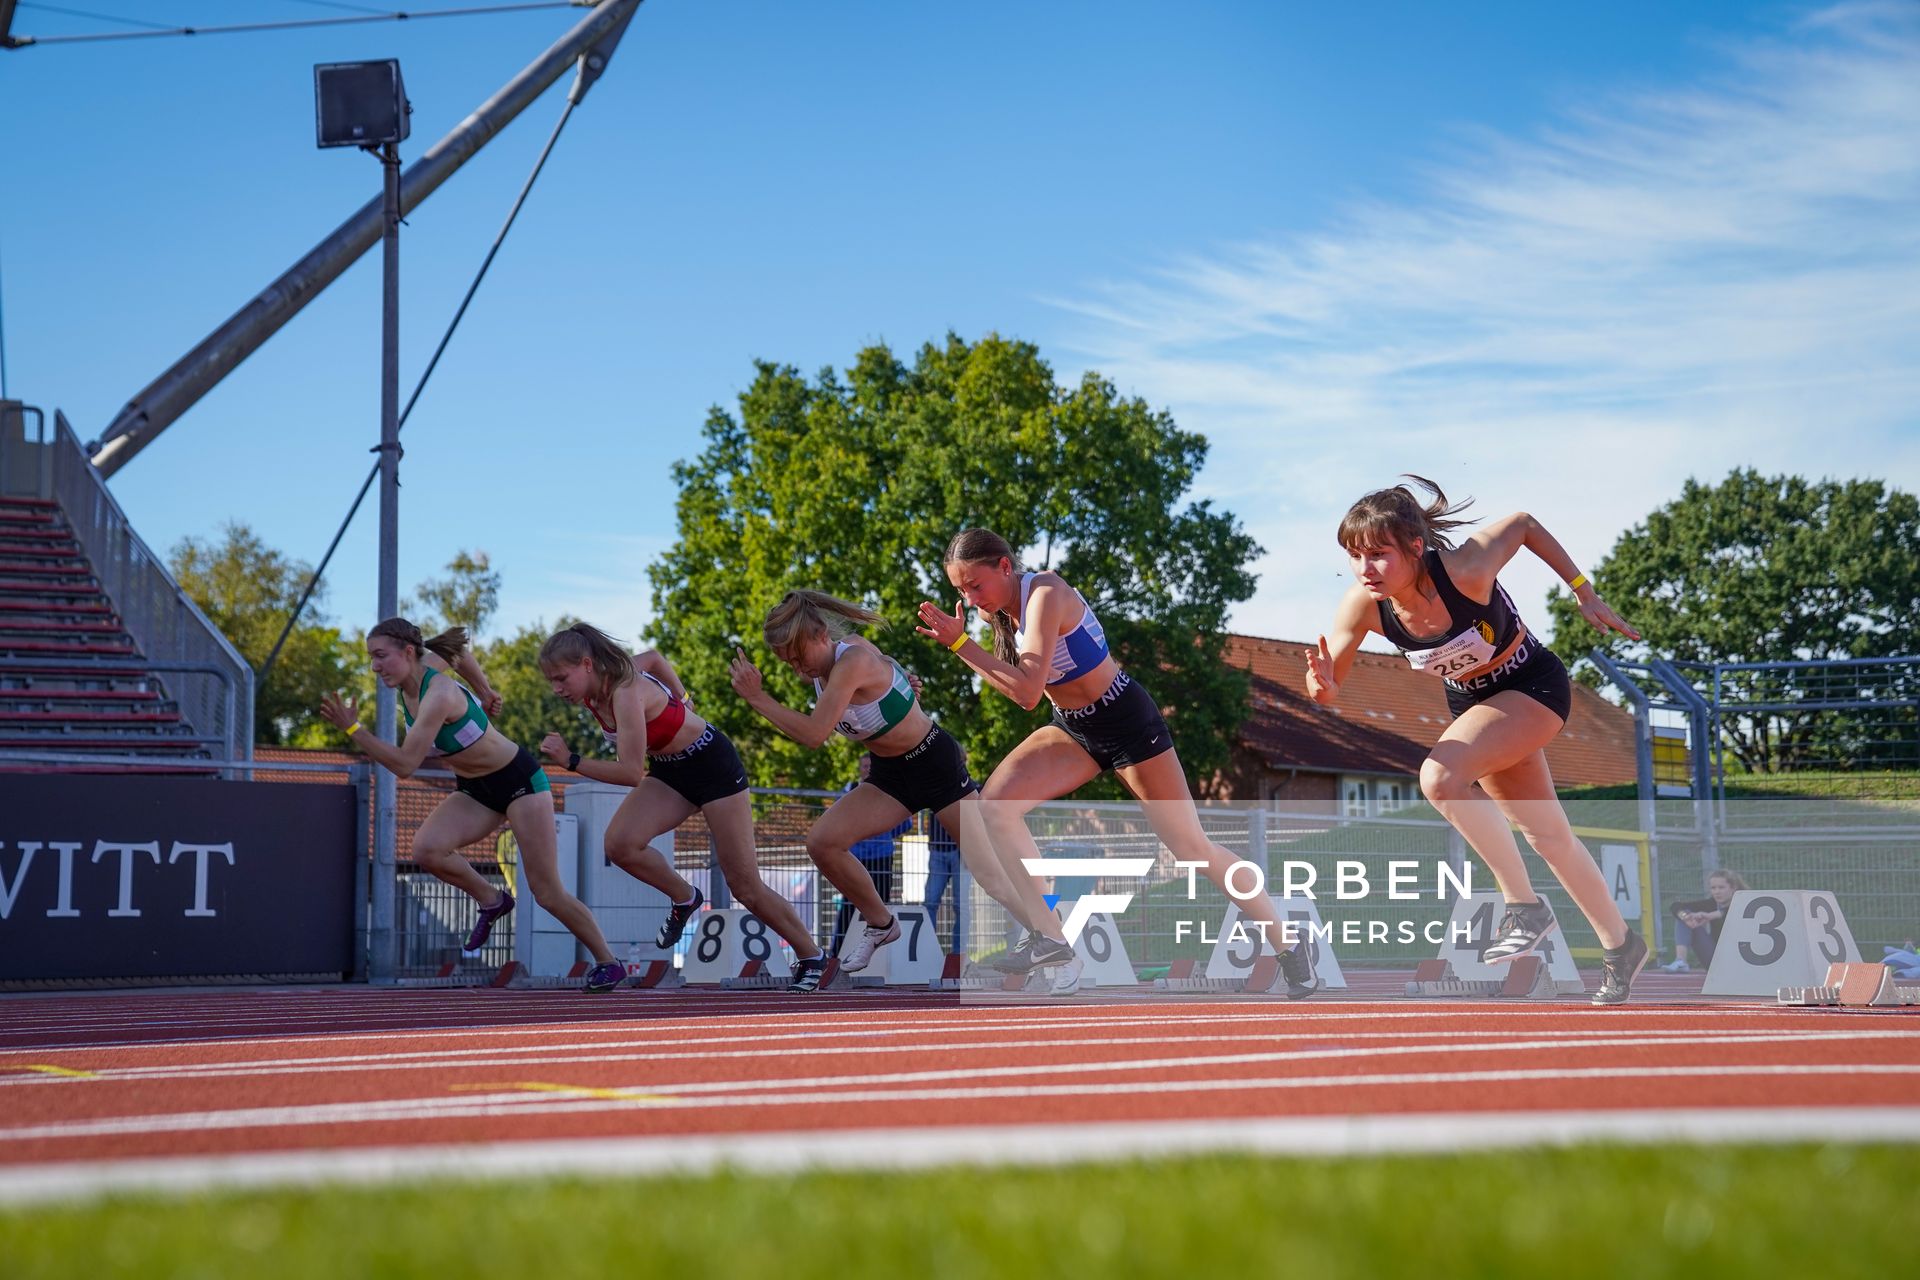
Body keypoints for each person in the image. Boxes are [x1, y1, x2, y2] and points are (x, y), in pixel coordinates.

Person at [918, 529, 1318, 998]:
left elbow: (1026, 691)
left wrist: (960, 643)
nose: (970, 597)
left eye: (975, 585)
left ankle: (1288, 944)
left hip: (1127, 721)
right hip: (1074, 728)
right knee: (995, 807)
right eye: (961, 590)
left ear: (1005, 566)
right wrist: (973, 635)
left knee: (1192, 849)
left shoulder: (1044, 592)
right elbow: (1027, 690)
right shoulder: (1002, 615)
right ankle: (1051, 937)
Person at [1303, 476, 1650, 1005]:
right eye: (1354, 556)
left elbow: (1525, 524)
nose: (1364, 569)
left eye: (1378, 555)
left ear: (1416, 547)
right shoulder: (1364, 607)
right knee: (1548, 836)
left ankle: (1524, 908)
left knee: (1439, 777)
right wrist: (1321, 686)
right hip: (1476, 705)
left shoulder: (1465, 569)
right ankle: (1621, 945)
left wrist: (1584, 591)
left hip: (1531, 685)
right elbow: (1330, 690)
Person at [732, 589, 1082, 992]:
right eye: (787, 663)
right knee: (823, 841)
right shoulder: (835, 666)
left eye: (798, 657)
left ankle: (1059, 948)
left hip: (934, 764)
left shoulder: (852, 660)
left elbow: (814, 735)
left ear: (819, 635)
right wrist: (903, 684)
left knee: (991, 875)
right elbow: (890, 667)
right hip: (890, 775)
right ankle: (880, 923)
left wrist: (757, 698)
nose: (796, 668)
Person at [319, 619, 624, 992]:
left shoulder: (438, 693)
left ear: (409, 652)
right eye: (371, 658)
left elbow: (405, 764)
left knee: (547, 893)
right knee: (427, 849)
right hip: (476, 787)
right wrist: (485, 690)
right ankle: (492, 900)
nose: (374, 667)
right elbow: (460, 652)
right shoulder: (421, 672)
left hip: (519, 783)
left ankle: (609, 962)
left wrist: (354, 730)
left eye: (381, 656)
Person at [537, 622, 830, 994]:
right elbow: (657, 659)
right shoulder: (600, 691)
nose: (557, 689)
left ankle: (811, 956)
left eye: (562, 678)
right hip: (672, 771)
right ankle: (685, 896)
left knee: (745, 885)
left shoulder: (624, 691)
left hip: (712, 766)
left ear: (587, 664)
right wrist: (682, 697)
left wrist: (571, 760)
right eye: (552, 681)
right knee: (621, 844)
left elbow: (630, 773)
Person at [830, 755, 910, 953]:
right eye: (864, 766)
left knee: (881, 904)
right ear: (859, 769)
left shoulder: (888, 791)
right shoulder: (849, 791)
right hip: (855, 856)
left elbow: (904, 823)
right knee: (849, 905)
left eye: (870, 766)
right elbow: (836, 819)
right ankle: (837, 953)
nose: (866, 769)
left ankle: (879, 953)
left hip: (881, 856)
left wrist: (880, 834)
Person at [1660, 868, 1748, 972]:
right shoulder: (1711, 904)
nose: (1717, 892)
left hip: (1741, 960)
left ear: (1733, 888)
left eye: (1721, 887)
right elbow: (1676, 906)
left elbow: (1733, 912)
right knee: (1685, 916)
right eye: (1713, 888)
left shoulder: (1747, 903)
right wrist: (1685, 916)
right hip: (1716, 960)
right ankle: (1680, 961)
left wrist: (1713, 915)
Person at [921, 810, 963, 952]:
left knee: (961, 906)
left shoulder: (971, 790)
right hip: (938, 850)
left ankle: (958, 954)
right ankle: (928, 950)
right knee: (930, 902)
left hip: (960, 852)